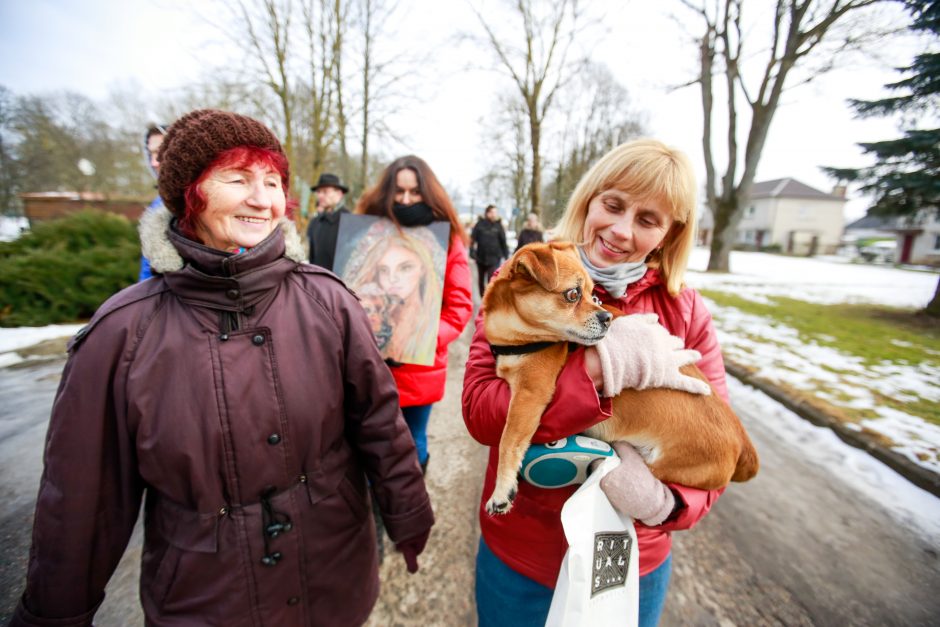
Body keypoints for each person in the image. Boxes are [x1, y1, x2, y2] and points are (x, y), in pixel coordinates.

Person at [11, 110, 433, 627]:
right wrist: (53, 612)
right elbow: (82, 499)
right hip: (205, 598)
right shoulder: (122, 334)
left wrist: (407, 513)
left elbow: (378, 422)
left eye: (273, 181)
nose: (262, 198)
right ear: (190, 192)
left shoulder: (328, 300)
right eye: (238, 178)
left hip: (333, 576)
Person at [462, 138, 729, 627]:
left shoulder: (685, 309)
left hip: (629, 559)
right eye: (613, 205)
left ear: (671, 234)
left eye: (648, 220)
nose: (622, 230)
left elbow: (716, 443)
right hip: (524, 558)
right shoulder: (524, 278)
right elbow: (480, 413)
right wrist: (592, 374)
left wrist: (667, 505)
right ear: (588, 199)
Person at [356, 155, 473, 473]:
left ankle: (409, 506)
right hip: (372, 364)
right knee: (370, 441)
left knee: (413, 439)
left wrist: (418, 340)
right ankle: (375, 507)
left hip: (420, 365)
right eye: (399, 192)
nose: (406, 200)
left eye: (414, 192)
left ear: (428, 193)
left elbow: (460, 306)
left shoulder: (445, 239)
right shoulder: (369, 233)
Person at [343, 219, 446, 366]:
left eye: (405, 268)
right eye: (384, 270)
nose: (392, 279)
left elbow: (459, 309)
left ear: (423, 269)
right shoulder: (368, 311)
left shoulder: (428, 322)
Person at [138, 122, 168, 281]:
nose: (154, 162)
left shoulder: (207, 199)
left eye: (160, 152)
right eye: (151, 154)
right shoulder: (157, 205)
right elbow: (148, 269)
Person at [306, 171, 349, 269]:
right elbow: (311, 258)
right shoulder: (315, 222)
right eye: (319, 192)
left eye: (325, 191)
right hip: (316, 280)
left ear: (339, 194)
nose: (320, 196)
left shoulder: (350, 222)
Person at [470, 204, 510, 298]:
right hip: (481, 257)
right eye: (492, 212)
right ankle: (482, 297)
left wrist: (506, 255)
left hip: (494, 258)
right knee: (480, 280)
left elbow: (503, 241)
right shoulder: (479, 224)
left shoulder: (498, 226)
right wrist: (472, 252)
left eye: (495, 212)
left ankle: (489, 298)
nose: (494, 215)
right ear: (487, 213)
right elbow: (472, 239)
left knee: (491, 279)